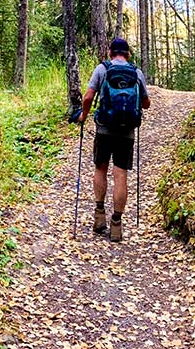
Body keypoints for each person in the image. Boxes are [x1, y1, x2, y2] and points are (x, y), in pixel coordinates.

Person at [76, 37, 150, 242]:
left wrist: (83, 115)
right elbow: (146, 103)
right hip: (126, 132)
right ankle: (116, 225)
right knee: (121, 175)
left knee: (100, 168)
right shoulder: (136, 72)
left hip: (104, 129)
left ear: (110, 52)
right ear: (127, 54)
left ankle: (99, 216)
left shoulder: (102, 69)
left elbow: (88, 97)